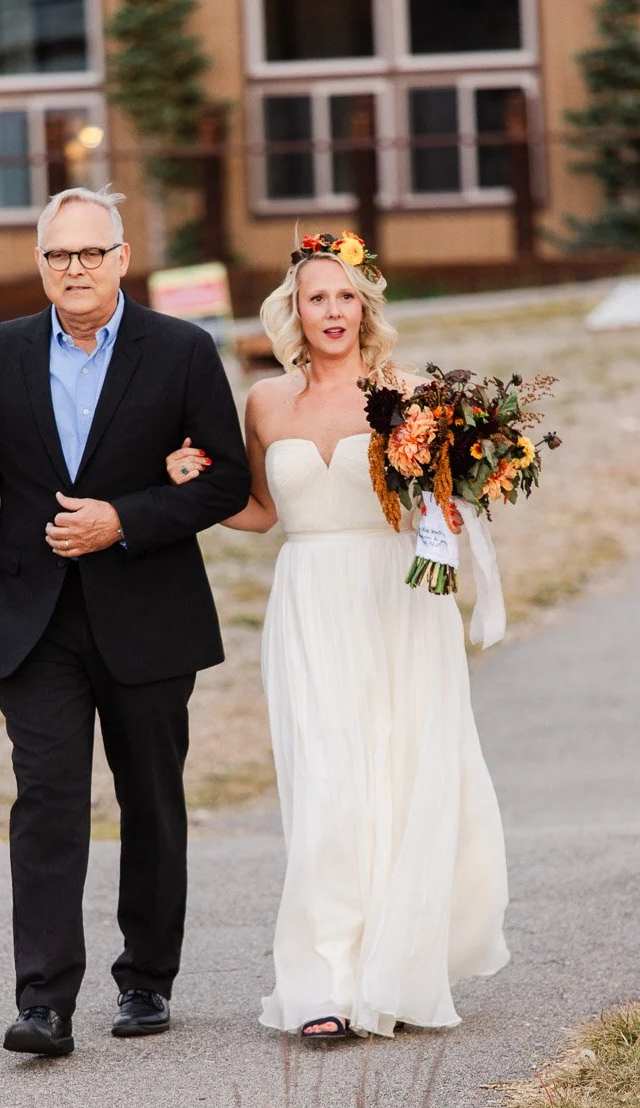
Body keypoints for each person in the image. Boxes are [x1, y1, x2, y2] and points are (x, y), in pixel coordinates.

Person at [166, 232, 509, 1039]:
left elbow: (447, 503)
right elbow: (259, 515)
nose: (333, 311)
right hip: (309, 598)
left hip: (396, 600)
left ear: (366, 307)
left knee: (399, 771)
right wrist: (191, 487)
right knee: (323, 782)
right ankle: (320, 983)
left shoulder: (413, 392)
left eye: (347, 296)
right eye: (317, 296)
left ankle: (394, 970)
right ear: (294, 309)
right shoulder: (264, 403)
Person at [0, 186, 251, 1056]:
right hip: (33, 619)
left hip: (148, 613)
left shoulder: (182, 350)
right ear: (40, 265)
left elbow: (226, 478)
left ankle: (147, 977)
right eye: (57, 256)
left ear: (121, 258)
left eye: (90, 253)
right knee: (45, 803)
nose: (74, 269)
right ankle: (43, 1001)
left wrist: (125, 519)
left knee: (151, 799)